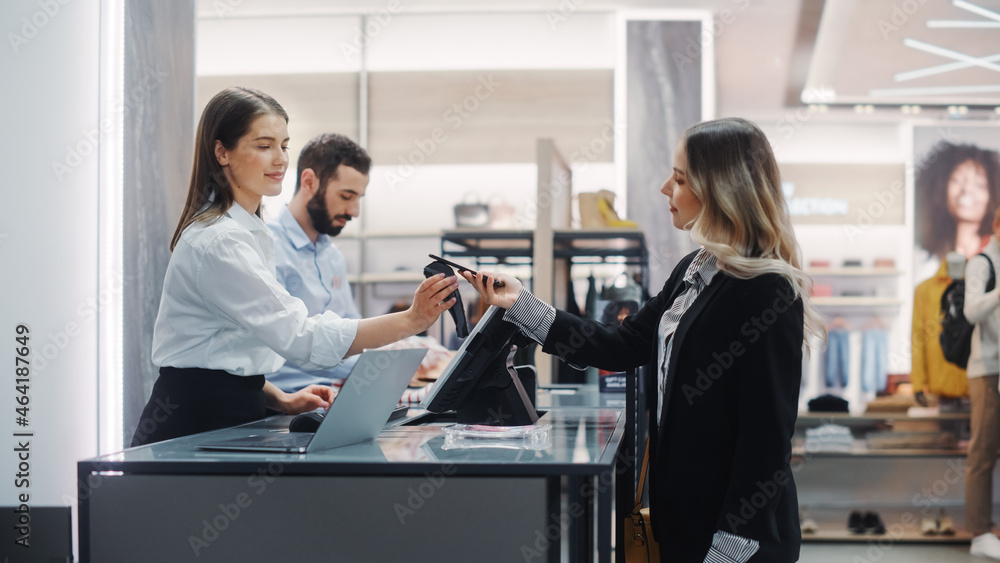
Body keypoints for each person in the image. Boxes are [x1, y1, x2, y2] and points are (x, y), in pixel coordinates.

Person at [463, 117, 822, 562]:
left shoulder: (766, 289)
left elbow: (766, 438)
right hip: (685, 519)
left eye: (679, 178)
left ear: (720, 188)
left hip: (733, 536)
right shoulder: (696, 269)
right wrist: (522, 304)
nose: (664, 188)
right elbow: (622, 343)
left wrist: (732, 546)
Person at [132, 87, 458, 446]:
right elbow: (301, 337)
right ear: (222, 152)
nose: (280, 159)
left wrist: (279, 398)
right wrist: (411, 319)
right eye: (263, 145)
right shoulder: (220, 241)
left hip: (235, 406)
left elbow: (228, 353)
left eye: (284, 145)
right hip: (196, 419)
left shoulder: (247, 232)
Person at [266, 133, 369, 394]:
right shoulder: (266, 248)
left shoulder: (333, 256)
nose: (354, 211)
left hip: (337, 391)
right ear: (309, 181)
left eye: (358, 198)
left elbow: (351, 326)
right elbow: (291, 345)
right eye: (346, 196)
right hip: (284, 404)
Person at [962, 208, 1000, 560]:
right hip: (989, 370)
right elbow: (971, 311)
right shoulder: (983, 262)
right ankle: (979, 532)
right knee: (983, 452)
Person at [914, 141, 1000, 281]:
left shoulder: (994, 252)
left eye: (979, 185)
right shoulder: (924, 253)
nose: (966, 190)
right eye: (957, 180)